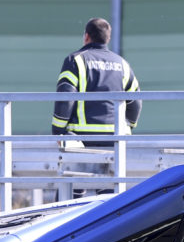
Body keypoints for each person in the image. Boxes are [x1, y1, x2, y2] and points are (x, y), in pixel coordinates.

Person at [52, 17, 141, 148]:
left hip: (81, 138)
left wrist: (58, 132)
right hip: (116, 138)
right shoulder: (122, 64)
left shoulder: (75, 60)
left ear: (86, 36)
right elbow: (136, 102)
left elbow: (66, 98)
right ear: (108, 39)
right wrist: (127, 127)